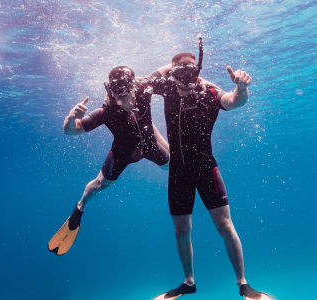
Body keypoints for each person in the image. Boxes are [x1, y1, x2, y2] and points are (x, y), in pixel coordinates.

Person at [148, 40, 264, 299]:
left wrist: (241, 87)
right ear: (172, 75)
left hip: (205, 166)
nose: (185, 79)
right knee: (181, 230)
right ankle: (188, 283)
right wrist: (173, 66)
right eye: (179, 73)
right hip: (178, 170)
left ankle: (243, 284)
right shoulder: (167, 88)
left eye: (191, 71)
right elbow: (144, 81)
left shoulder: (208, 92)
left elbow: (234, 101)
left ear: (198, 71)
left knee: (225, 226)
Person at [48, 66, 170, 256]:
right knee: (98, 184)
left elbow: (168, 68)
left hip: (149, 146)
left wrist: (191, 73)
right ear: (110, 90)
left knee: (173, 165)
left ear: (132, 85)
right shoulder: (107, 111)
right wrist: (71, 118)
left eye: (125, 92)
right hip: (122, 153)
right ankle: (79, 207)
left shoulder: (144, 87)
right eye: (116, 93)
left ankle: (166, 146)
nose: (120, 98)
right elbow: (70, 131)